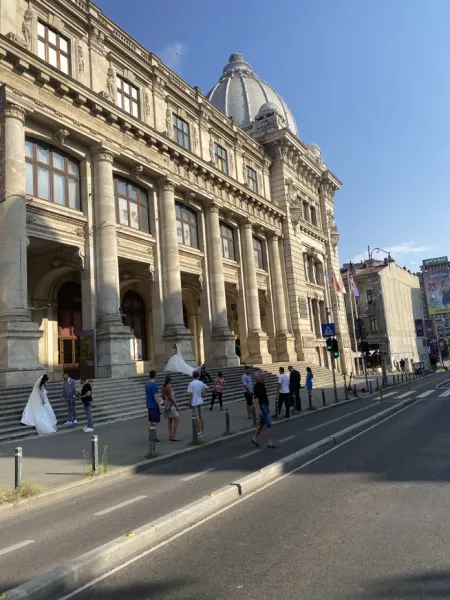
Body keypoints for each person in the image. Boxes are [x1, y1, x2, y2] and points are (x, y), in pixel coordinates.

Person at [251, 372, 276, 449]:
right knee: (268, 423)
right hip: (262, 407)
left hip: (265, 405)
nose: (264, 377)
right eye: (263, 376)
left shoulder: (263, 384)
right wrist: (259, 410)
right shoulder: (257, 386)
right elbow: (256, 398)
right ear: (259, 377)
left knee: (262, 424)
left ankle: (254, 438)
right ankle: (269, 442)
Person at [188, 371, 209, 438]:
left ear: (193, 376)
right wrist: (203, 393)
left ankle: (199, 432)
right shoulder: (200, 382)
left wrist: (190, 402)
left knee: (196, 417)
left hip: (194, 401)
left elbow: (191, 394)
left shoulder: (191, 383)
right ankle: (202, 431)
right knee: (201, 416)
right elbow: (207, 388)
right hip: (200, 400)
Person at [162, 375, 180, 442]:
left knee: (170, 421)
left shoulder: (164, 386)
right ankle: (174, 436)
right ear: (170, 380)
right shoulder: (169, 386)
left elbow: (163, 397)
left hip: (167, 405)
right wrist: (176, 405)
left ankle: (170, 435)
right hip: (171, 405)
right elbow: (170, 397)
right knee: (177, 419)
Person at [145, 370, 162, 445]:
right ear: (155, 376)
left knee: (151, 422)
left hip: (149, 405)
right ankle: (153, 438)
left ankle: (150, 438)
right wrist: (160, 405)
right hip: (154, 405)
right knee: (155, 423)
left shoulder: (147, 384)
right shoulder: (154, 384)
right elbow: (155, 396)